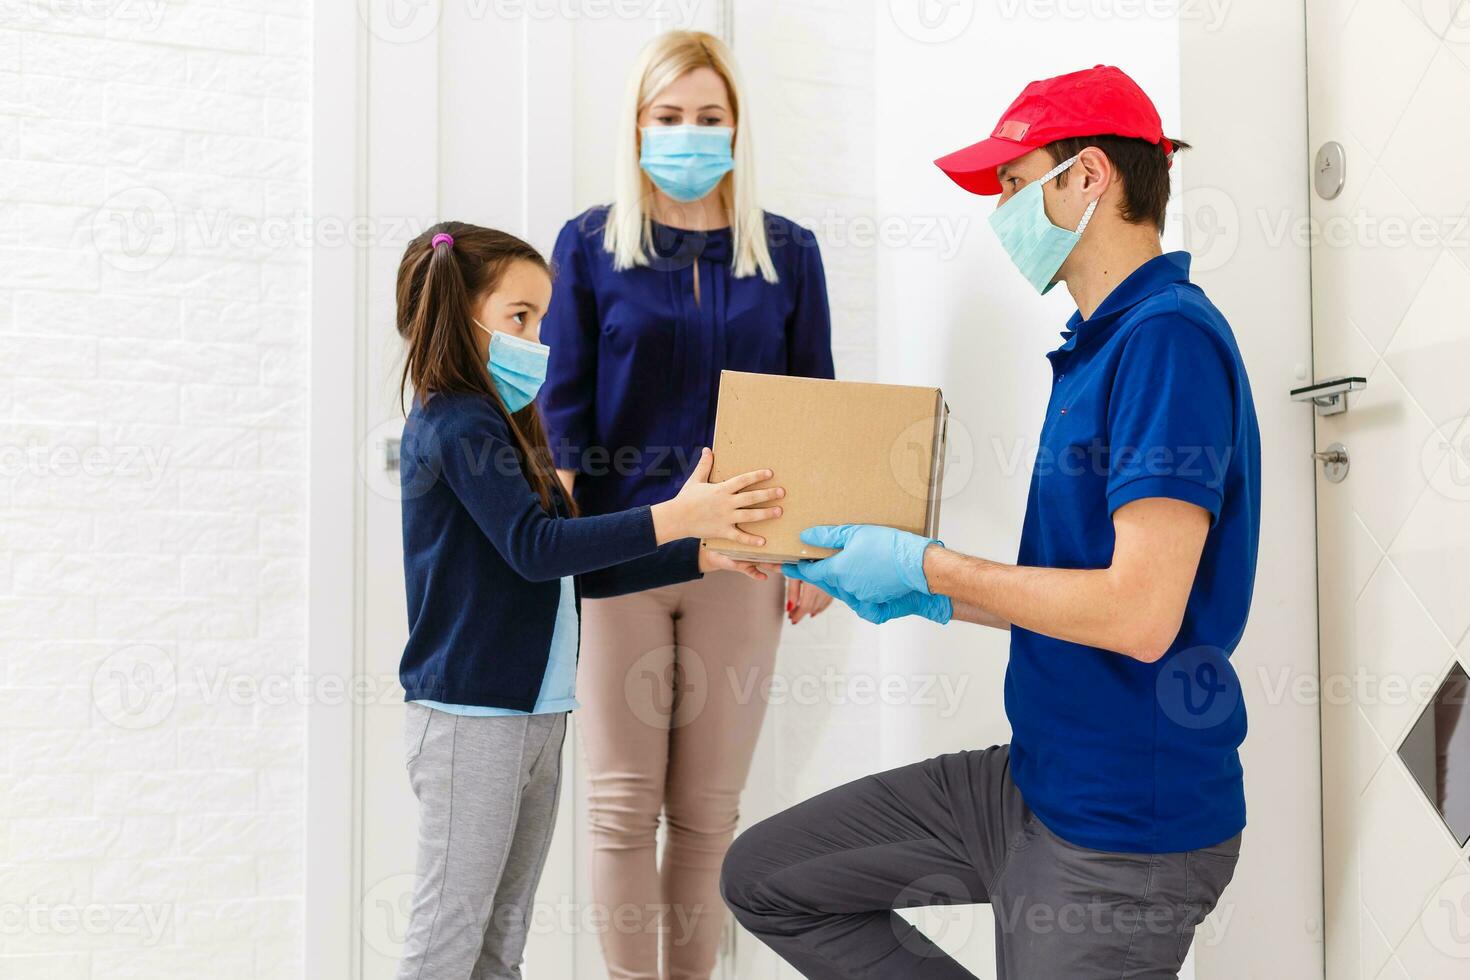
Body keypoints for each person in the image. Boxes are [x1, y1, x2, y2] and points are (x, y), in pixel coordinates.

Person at [720, 65, 1260, 979]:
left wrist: (932, 569)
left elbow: (1138, 614)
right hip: (1034, 779)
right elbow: (1074, 592)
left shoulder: (1168, 339)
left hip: (1123, 827)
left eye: (1014, 182)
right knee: (770, 877)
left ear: (1089, 177)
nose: (1001, 209)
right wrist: (897, 586)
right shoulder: (1098, 344)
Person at [391, 221, 785, 979]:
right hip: (472, 721)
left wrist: (700, 551)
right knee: (447, 942)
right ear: (457, 310)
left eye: (541, 319)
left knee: (499, 947)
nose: (538, 339)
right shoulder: (456, 422)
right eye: (520, 318)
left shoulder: (504, 425)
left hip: (533, 717)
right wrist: (676, 514)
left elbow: (571, 568)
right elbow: (536, 551)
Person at [537, 31, 835, 980]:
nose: (689, 134)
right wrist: (562, 545)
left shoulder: (787, 251)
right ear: (637, 127)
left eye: (709, 118)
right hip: (623, 553)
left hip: (743, 555)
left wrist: (815, 550)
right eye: (669, 117)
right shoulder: (588, 246)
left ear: (737, 129)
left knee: (707, 814)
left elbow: (813, 403)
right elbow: (564, 409)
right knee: (623, 807)